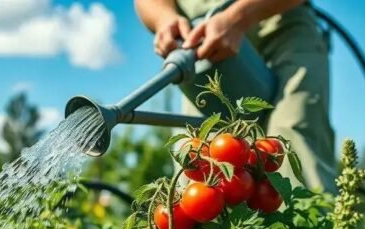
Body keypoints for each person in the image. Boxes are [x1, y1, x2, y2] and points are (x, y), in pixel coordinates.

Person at [134, 0, 336, 192]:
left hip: (283, 27)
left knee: (291, 138)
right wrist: (164, 18)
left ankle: (305, 226)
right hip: (202, 47)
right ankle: (205, 228)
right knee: (200, 164)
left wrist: (238, 17)